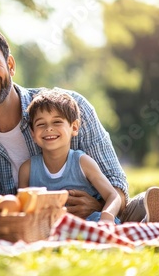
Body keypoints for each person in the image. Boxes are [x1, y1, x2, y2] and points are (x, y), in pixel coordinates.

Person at [0, 22, 159, 223]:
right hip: (29, 225)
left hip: (90, 217)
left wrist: (101, 207)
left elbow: (115, 182)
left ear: (11, 65)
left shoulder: (71, 108)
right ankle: (138, 215)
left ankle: (137, 212)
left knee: (120, 212)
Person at [18, 88, 121, 224]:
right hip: (47, 229)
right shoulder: (27, 169)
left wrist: (106, 218)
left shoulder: (83, 162)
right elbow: (21, 208)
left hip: (89, 224)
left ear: (74, 127)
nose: (48, 128)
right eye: (41, 124)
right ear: (32, 133)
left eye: (57, 122)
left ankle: (142, 214)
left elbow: (113, 196)